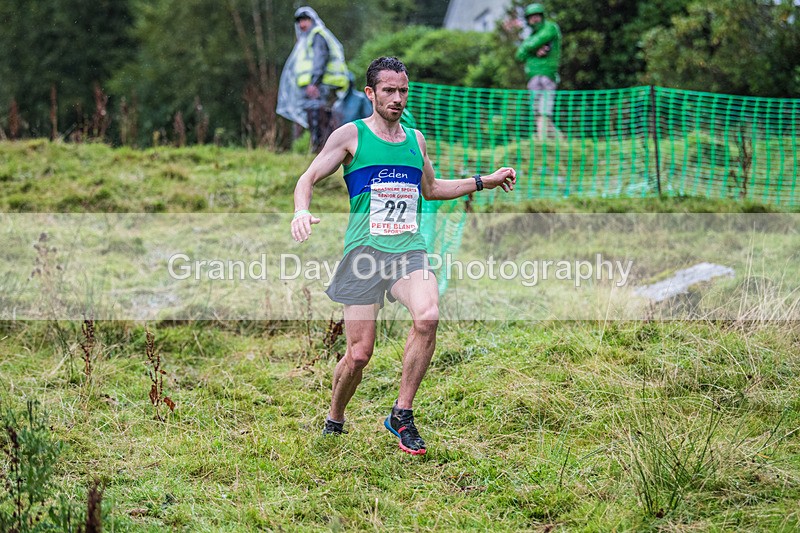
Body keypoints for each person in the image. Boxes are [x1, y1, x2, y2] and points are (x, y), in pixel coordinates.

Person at [290, 57, 516, 455]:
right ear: (371, 93)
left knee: (427, 316)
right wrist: (301, 210)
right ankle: (335, 417)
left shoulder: (416, 140)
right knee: (359, 355)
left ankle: (402, 414)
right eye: (389, 91)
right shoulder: (351, 136)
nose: (397, 98)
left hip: (408, 251)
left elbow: (431, 188)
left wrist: (484, 181)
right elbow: (306, 179)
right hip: (364, 255)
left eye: (403, 91)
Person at [276, 6, 349, 153]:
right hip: (323, 84)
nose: (302, 24)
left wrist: (314, 82)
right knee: (325, 116)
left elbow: (320, 59)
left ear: (312, 20)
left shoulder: (317, 35)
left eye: (305, 20)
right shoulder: (309, 38)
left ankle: (321, 149)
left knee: (318, 115)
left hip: (322, 84)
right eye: (300, 21)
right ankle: (327, 149)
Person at [515, 3, 562, 141]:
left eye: (536, 16)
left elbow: (538, 41)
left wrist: (529, 49)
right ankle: (561, 141)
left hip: (547, 76)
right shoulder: (530, 37)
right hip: (533, 78)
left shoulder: (550, 27)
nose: (534, 20)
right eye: (531, 17)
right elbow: (519, 55)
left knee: (544, 111)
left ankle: (542, 143)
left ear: (541, 16)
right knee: (537, 112)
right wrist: (533, 50)